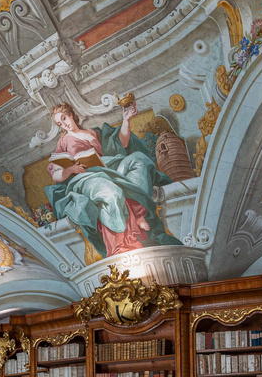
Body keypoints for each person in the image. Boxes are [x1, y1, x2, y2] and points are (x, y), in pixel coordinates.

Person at [43, 100, 179, 259]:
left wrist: (126, 120)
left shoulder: (94, 132)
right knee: (110, 192)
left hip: (109, 168)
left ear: (71, 114)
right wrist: (70, 170)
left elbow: (121, 143)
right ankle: (126, 236)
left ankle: (138, 209)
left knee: (139, 160)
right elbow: (56, 174)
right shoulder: (63, 141)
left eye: (64, 119)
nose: (63, 125)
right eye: (59, 123)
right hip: (85, 177)